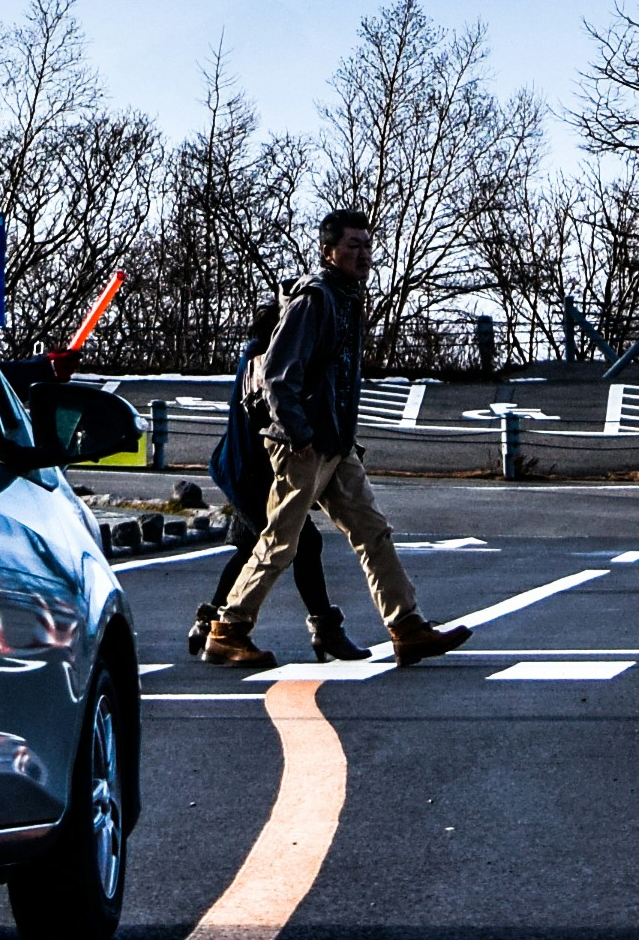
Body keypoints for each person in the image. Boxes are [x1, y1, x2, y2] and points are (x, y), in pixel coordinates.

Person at [196, 210, 473, 672]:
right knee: (280, 541)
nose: (363, 254)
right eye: (352, 246)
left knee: (373, 531)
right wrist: (299, 433)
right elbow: (279, 376)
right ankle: (228, 631)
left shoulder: (348, 299)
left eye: (367, 245)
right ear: (329, 252)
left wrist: (341, 437)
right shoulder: (315, 300)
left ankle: (407, 627)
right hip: (302, 445)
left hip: (336, 445)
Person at [190, 292, 357, 662]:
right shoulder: (265, 359)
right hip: (250, 471)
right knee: (302, 543)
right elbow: (271, 417)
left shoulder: (266, 354)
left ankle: (209, 620)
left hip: (243, 468)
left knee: (253, 547)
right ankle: (323, 628)